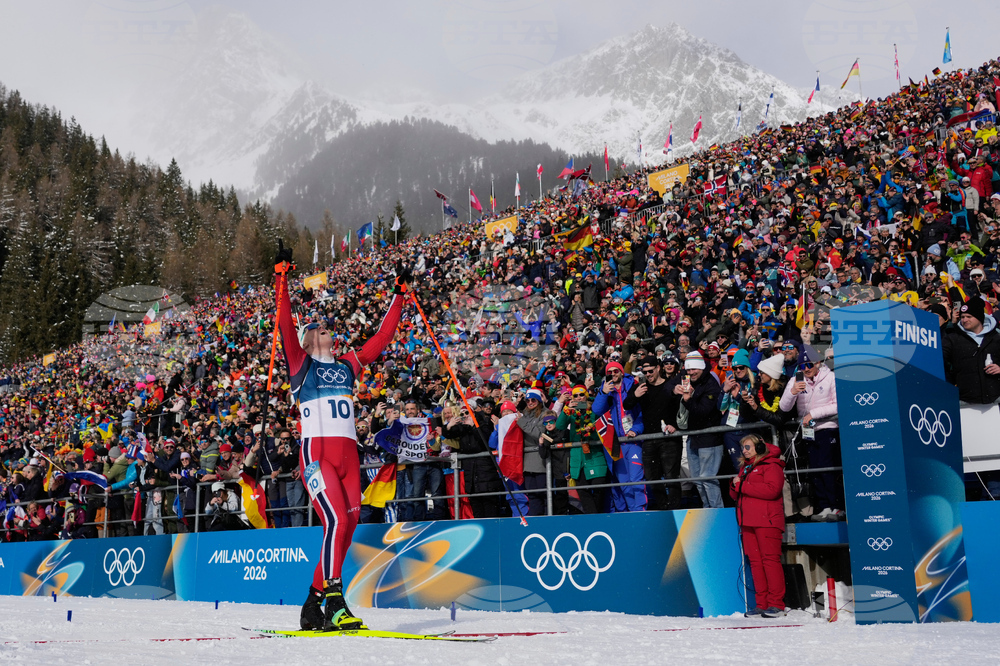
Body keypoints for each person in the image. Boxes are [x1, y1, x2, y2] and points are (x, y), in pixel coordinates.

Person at [275, 242, 410, 632]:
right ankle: (335, 599)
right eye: (316, 325)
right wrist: (282, 280)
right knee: (335, 520)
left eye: (325, 324)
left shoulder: (349, 365)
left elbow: (381, 339)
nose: (324, 325)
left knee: (346, 529)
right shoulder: (301, 365)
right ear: (305, 338)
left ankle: (313, 603)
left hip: (350, 458)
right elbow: (284, 325)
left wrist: (399, 295)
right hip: (317, 457)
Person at [779, 348, 843, 521]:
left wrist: (814, 414)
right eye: (802, 366)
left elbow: (839, 405)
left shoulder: (830, 377)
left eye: (809, 365)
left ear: (818, 363)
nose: (805, 369)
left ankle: (837, 506)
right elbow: (783, 408)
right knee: (815, 469)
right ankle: (823, 506)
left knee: (828, 468)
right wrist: (793, 392)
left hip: (828, 427)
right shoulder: (796, 379)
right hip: (808, 430)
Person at [730, 434, 786, 618]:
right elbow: (736, 495)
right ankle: (761, 604)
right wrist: (734, 486)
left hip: (767, 521)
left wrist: (742, 486)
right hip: (748, 522)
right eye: (742, 448)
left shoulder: (771, 465)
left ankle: (776, 604)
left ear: (759, 448)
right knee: (755, 563)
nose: (744, 451)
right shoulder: (745, 468)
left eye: (748, 447)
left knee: (770, 561)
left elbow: (772, 490)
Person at [624, 356, 681, 510]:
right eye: (645, 372)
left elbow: (680, 410)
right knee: (651, 477)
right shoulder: (641, 387)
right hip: (649, 438)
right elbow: (626, 404)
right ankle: (663, 508)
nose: (648, 374)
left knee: (671, 476)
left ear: (658, 368)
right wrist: (635, 395)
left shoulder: (670, 386)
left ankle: (674, 509)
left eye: (650, 371)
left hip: (669, 438)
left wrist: (675, 425)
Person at [592, 360, 645, 512]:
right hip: (615, 443)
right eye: (610, 372)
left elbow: (641, 413)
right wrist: (603, 392)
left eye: (616, 371)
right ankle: (632, 511)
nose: (613, 374)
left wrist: (637, 429)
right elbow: (597, 410)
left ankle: (641, 511)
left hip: (632, 440)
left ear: (622, 372)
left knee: (636, 480)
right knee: (624, 483)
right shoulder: (605, 390)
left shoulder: (631, 386)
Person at [675, 351, 724, 508]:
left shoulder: (711, 383)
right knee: (697, 479)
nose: (691, 373)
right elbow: (669, 385)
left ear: (702, 368)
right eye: (688, 370)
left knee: (708, 479)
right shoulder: (687, 379)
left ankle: (717, 513)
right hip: (693, 438)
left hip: (709, 438)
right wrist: (674, 390)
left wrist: (688, 400)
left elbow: (704, 411)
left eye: (694, 369)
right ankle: (707, 511)